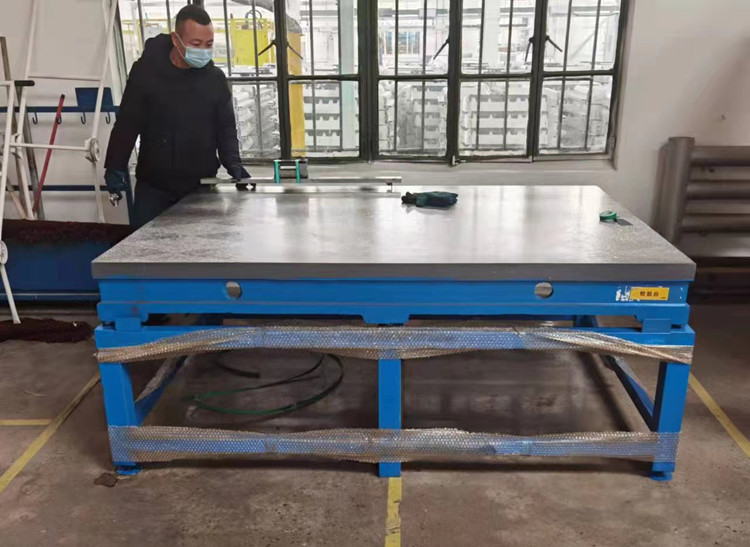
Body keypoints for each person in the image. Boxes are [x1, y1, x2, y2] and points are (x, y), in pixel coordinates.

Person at [103, 5, 249, 228]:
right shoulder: (146, 73)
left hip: (200, 185)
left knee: (201, 246)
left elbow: (226, 128)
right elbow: (128, 122)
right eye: (196, 44)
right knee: (145, 245)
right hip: (154, 187)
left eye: (209, 44)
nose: (203, 51)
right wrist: (115, 165)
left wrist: (234, 165)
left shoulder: (214, 79)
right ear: (175, 39)